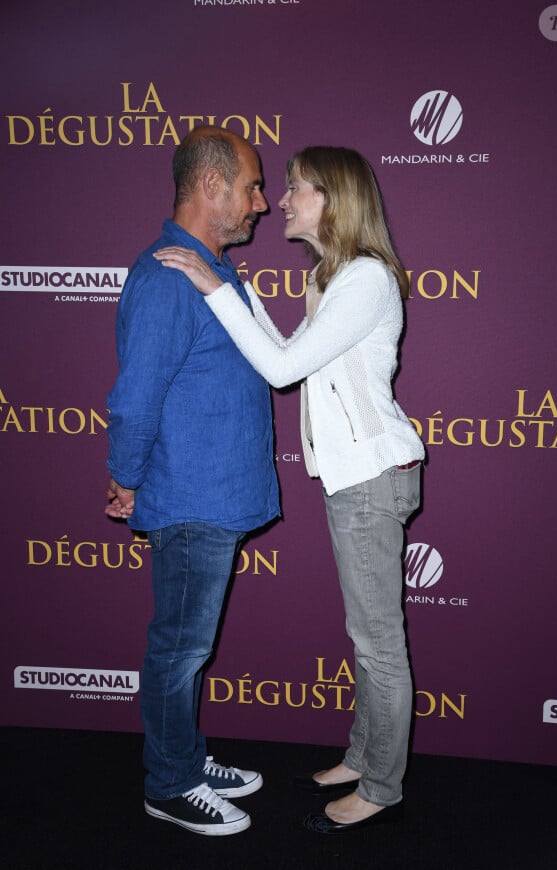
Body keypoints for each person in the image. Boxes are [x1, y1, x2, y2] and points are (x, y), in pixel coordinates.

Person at [153, 145, 425, 834]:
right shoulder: (338, 280)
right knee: (367, 635)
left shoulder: (364, 279)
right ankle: (364, 757)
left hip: (369, 478)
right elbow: (287, 354)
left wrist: (215, 290)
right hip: (357, 478)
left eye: (299, 187)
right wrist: (236, 292)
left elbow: (279, 370)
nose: (281, 200)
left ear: (334, 199)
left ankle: (383, 785)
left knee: (378, 643)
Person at [105, 126, 280, 836]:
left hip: (214, 494)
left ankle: (186, 757)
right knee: (179, 651)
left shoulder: (206, 267)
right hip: (189, 500)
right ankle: (170, 783)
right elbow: (136, 394)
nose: (262, 204)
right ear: (211, 186)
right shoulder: (166, 275)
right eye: (250, 186)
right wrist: (125, 476)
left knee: (187, 649)